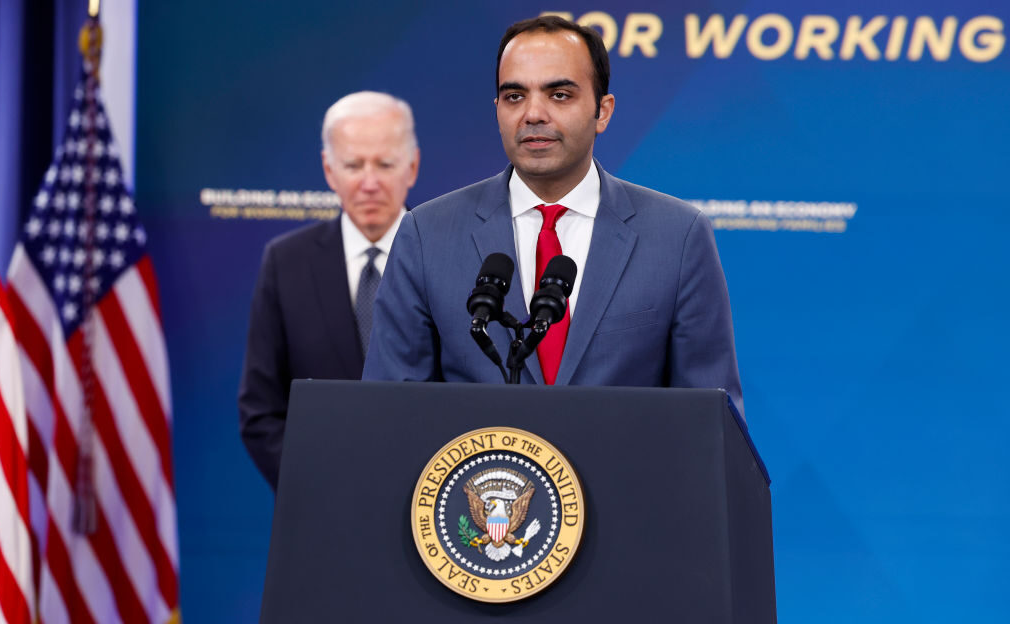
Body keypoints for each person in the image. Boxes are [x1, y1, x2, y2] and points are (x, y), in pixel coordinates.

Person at [363, 16, 743, 418]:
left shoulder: (677, 236)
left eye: (559, 95)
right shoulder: (427, 234)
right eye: (514, 96)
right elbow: (390, 414)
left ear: (602, 111)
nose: (533, 114)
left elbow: (711, 423)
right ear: (497, 110)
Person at [239, 91, 420, 490]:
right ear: (328, 169)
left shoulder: (449, 255)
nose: (369, 183)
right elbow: (260, 410)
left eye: (385, 164)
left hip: (429, 501)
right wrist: (318, 490)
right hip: (318, 503)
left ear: (411, 167)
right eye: (353, 165)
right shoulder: (286, 263)